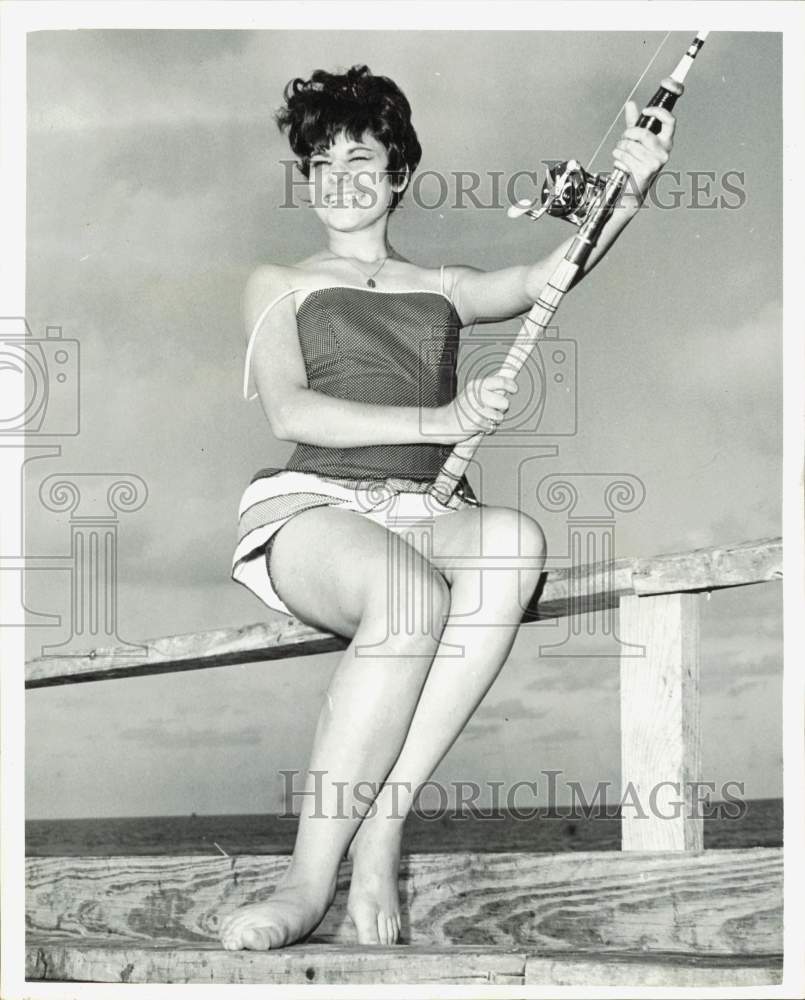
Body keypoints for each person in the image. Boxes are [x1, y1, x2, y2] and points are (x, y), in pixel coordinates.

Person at [221, 65, 674, 951]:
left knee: (512, 540)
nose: (338, 175)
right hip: (312, 510)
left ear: (397, 173)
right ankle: (307, 881)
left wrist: (632, 190)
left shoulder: (442, 283)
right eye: (319, 160)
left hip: (426, 505)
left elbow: (552, 274)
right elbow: (290, 411)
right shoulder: (276, 279)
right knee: (409, 597)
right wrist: (440, 417)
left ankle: (383, 826)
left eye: (361, 156)